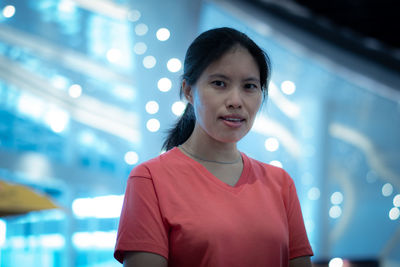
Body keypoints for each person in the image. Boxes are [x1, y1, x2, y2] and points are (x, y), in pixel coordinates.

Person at [114, 27, 313, 267]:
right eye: (220, 83)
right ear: (188, 90)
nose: (236, 101)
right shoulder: (150, 180)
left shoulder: (280, 184)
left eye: (249, 86)